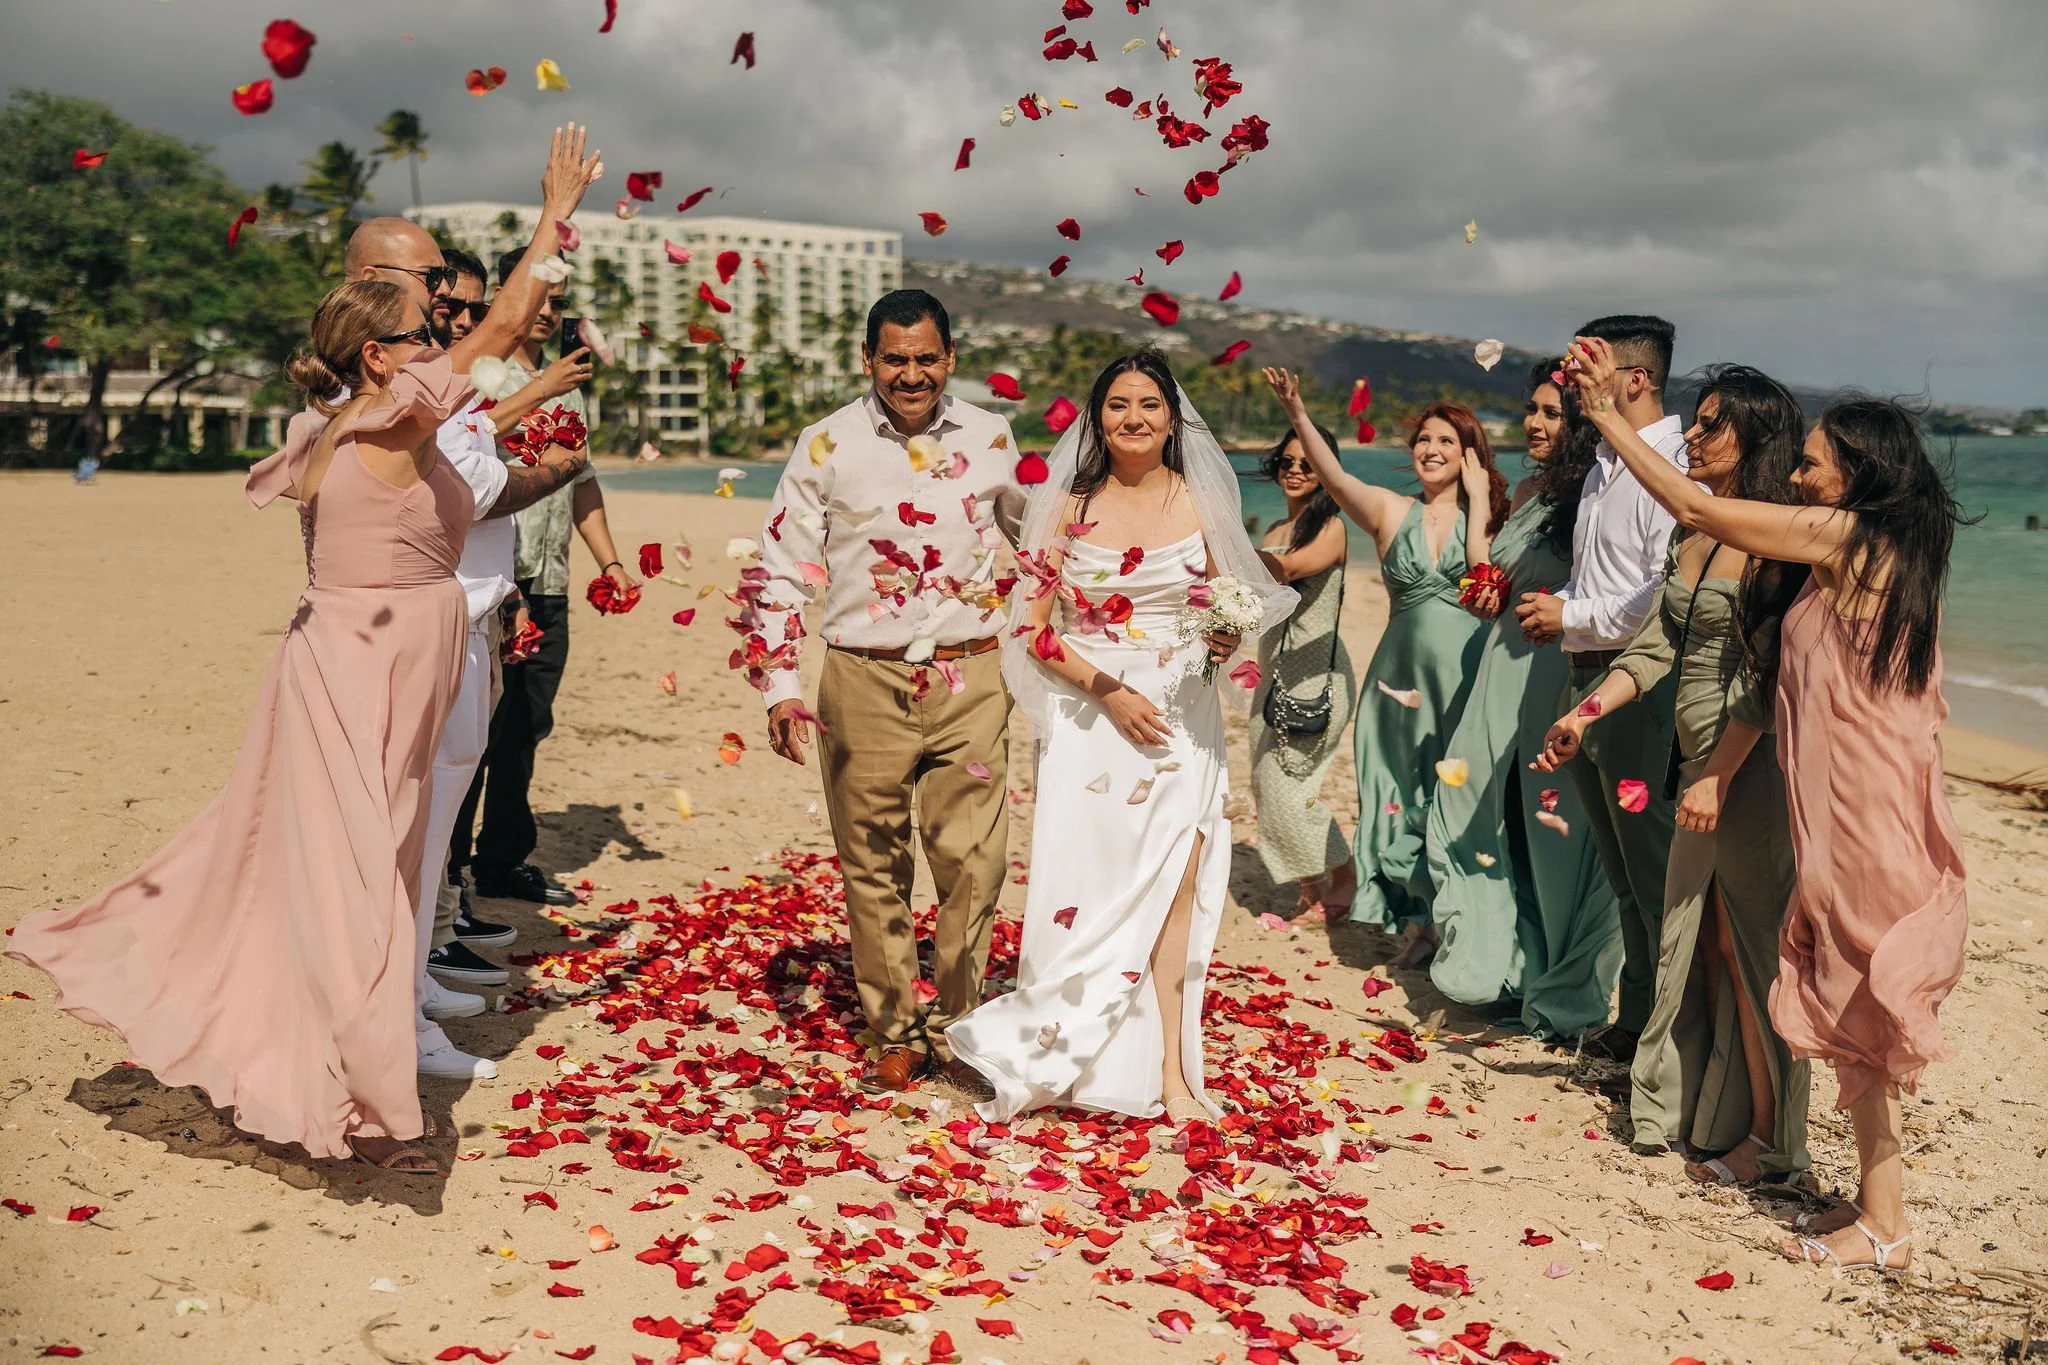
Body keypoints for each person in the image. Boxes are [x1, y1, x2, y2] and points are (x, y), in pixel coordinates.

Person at [7, 126, 605, 1175]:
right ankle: (351, 1065)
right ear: (379, 353)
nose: (441, 342)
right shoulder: (393, 416)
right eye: (424, 331)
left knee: (350, 869)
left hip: (359, 660)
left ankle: (355, 1040)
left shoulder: (348, 417)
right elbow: (508, 321)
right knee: (359, 876)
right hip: (368, 669)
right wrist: (556, 210)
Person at [1564, 337, 1967, 1273]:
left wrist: (1606, 416)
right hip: (1847, 801)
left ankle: (1887, 1222)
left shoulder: (1852, 538)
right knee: (1848, 991)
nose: (1801, 468)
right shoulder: (1868, 549)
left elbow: (1699, 505)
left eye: (1816, 457)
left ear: (1858, 473)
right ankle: (1877, 1208)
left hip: (1862, 808)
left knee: (1855, 992)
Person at [947, 350, 1295, 1123]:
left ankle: (1171, 1073)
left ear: (1173, 418)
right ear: (1095, 418)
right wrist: (1108, 689)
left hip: (1181, 716)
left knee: (1176, 889)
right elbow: (1032, 633)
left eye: (1148, 405)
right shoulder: (1068, 504)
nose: (1133, 418)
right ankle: (1068, 1056)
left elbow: (1228, 602)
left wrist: (1220, 638)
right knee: (1090, 887)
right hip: (1091, 718)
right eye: (1117, 405)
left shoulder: (1202, 498)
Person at [1535, 365, 1812, 1183]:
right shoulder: (1695, 536)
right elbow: (1657, 647)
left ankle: (1771, 1140)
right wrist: (1582, 716)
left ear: (1754, 440)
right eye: (1693, 423)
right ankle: (1697, 1113)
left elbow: (1761, 684)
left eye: (1712, 425)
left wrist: (1718, 774)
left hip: (1745, 770)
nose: (1691, 436)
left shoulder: (1772, 534)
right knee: (1696, 940)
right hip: (1696, 765)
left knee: (1748, 949)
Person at [755, 290, 1027, 1095]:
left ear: (951, 357)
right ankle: (896, 1030)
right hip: (860, 680)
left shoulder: (992, 437)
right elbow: (779, 571)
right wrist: (779, 685)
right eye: (895, 358)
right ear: (867, 357)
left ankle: (959, 1023)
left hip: (972, 673)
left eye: (926, 358)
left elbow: (1042, 540)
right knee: (871, 863)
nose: (912, 374)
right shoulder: (824, 444)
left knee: (973, 861)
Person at [407, 247, 595, 1082]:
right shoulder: (425, 381)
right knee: (427, 806)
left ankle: (427, 956)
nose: (460, 318)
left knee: (467, 775)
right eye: (450, 303)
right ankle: (419, 966)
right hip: (429, 615)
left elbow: (489, 465)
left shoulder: (448, 378)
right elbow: (480, 481)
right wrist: (541, 421)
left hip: (487, 600)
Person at [1264, 368, 1505, 970]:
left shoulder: (1494, 522)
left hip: (1467, 683)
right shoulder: (1390, 512)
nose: (1430, 449)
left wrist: (1476, 509)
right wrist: (1297, 410)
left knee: (1460, 801)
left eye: (1446, 441)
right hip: (1397, 688)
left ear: (1470, 454)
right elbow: (1338, 477)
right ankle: (1420, 924)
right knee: (1397, 797)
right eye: (1424, 440)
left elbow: (1484, 585)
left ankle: (1457, 921)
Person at [1513, 314, 1687, 1065]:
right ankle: (1634, 1016)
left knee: (1651, 875)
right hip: (1584, 679)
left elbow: (1662, 596)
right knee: (1620, 874)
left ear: (1635, 380)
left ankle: (1665, 1037)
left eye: (1587, 365)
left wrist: (1570, 612)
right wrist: (1562, 619)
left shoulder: (1671, 464)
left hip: (1635, 687)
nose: (1571, 376)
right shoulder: (1600, 470)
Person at [1425, 364, 1618, 1036]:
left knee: (1548, 831)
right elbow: (1492, 589)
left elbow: (1616, 596)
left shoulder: (1592, 499)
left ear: (1581, 423)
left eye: (1550, 413)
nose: (1533, 423)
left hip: (1547, 683)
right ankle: (1497, 968)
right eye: (1530, 409)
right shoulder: (1533, 491)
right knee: (1475, 818)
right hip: (1497, 674)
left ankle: (1554, 985)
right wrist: (1482, 518)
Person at [447, 251, 617, 913]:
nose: (548, 311)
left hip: (547, 580)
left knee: (526, 724)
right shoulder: (472, 373)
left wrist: (610, 561)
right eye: (538, 297)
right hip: (494, 582)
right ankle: (450, 873)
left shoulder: (567, 383)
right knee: (471, 731)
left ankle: (502, 860)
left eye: (558, 300)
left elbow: (580, 479)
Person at [1246, 419, 1356, 915]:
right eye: (1287, 462)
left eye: (1307, 464)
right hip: (1272, 672)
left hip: (1318, 677)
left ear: (1325, 471)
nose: (1294, 470)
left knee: (1289, 786)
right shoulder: (1274, 530)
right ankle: (1313, 885)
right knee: (1271, 784)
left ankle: (1345, 873)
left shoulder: (1331, 528)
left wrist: (1220, 545)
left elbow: (1287, 570)